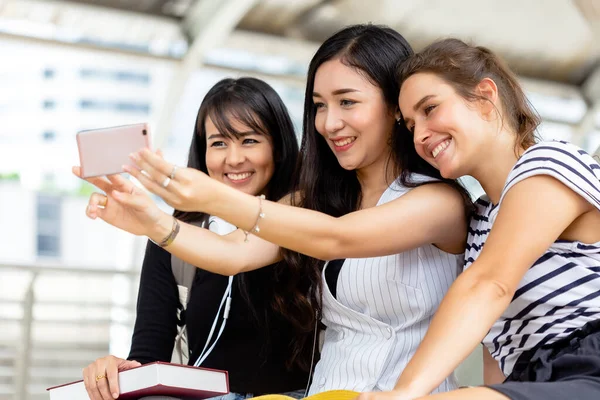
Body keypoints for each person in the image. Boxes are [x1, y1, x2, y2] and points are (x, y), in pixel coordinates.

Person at [113, 25, 473, 394]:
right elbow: (233, 253)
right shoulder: (318, 200)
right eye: (319, 106)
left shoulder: (438, 203)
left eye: (347, 102)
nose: (329, 123)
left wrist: (210, 196)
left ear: (396, 106)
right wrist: (150, 219)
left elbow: (337, 239)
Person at [355, 38, 600, 400]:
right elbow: (496, 346)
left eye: (430, 109)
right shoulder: (481, 221)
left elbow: (489, 286)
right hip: (533, 377)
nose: (420, 135)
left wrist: (404, 392)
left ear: (485, 98)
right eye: (410, 125)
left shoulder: (551, 163)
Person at [77, 77, 310, 400]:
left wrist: (154, 225)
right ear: (202, 152)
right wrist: (117, 371)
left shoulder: (305, 215)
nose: (233, 159)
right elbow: (149, 355)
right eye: (218, 143)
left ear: (279, 146)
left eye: (250, 140)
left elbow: (236, 254)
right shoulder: (176, 234)